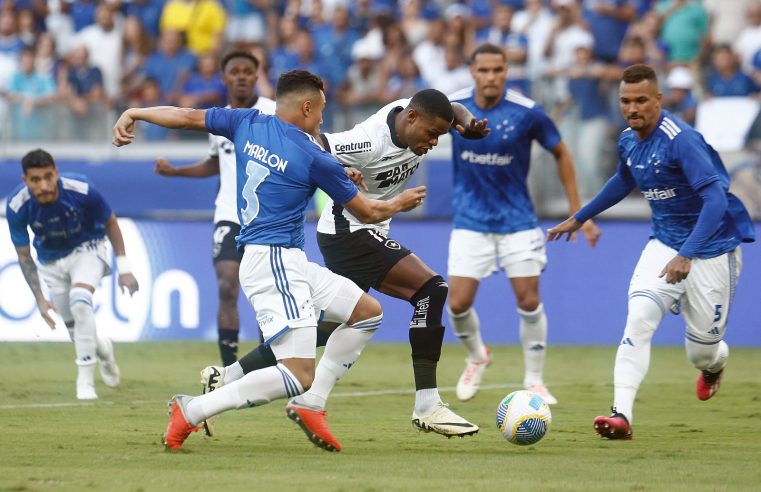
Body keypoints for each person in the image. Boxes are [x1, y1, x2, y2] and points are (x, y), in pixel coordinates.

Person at [112, 70, 426, 452]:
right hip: (274, 261)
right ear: (307, 107)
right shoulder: (314, 155)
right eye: (322, 111)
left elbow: (187, 116)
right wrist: (400, 202)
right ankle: (192, 409)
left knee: (367, 312)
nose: (323, 120)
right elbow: (370, 213)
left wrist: (136, 112)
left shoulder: (246, 122)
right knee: (297, 374)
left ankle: (311, 405)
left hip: (280, 258)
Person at [198, 88, 490, 439]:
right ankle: (425, 404)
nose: (433, 143)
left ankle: (227, 376)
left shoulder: (420, 112)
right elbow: (314, 141)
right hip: (348, 229)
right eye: (431, 135)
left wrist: (467, 123)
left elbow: (453, 107)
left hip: (362, 230)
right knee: (431, 289)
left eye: (440, 137)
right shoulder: (368, 140)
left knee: (327, 328)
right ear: (411, 117)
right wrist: (340, 168)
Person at [547, 64, 755, 440]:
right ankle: (621, 416)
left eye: (641, 100)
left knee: (701, 353)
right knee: (638, 318)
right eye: (625, 101)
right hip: (664, 243)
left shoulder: (681, 140)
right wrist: (580, 217)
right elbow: (624, 179)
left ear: (658, 99)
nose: (632, 108)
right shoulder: (628, 139)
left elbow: (714, 201)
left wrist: (687, 254)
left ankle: (713, 365)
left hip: (711, 250)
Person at [446, 43, 601, 405]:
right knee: (457, 304)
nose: (491, 77)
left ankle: (534, 379)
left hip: (517, 220)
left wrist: (579, 213)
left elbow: (562, 152)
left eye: (498, 70)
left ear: (506, 72)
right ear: (472, 72)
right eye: (483, 70)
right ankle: (477, 356)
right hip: (470, 220)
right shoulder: (453, 107)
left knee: (529, 300)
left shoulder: (527, 112)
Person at [152, 51, 276, 367]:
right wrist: (176, 171)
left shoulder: (273, 113)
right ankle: (228, 369)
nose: (241, 77)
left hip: (266, 216)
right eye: (234, 71)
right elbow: (215, 163)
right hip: (228, 214)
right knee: (226, 285)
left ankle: (268, 364)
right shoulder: (217, 118)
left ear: (256, 75)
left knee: (266, 293)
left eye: (248, 71)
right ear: (224, 78)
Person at [6, 149, 140, 400]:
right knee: (73, 329)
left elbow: (111, 221)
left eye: (48, 177)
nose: (44, 185)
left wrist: (124, 269)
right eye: (36, 180)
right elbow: (24, 255)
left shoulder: (81, 189)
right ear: (26, 181)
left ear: (56, 173)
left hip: (87, 248)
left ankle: (85, 382)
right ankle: (103, 350)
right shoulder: (17, 206)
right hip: (50, 261)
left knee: (80, 300)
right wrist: (39, 299)